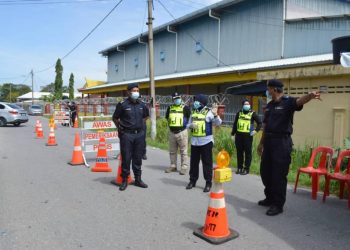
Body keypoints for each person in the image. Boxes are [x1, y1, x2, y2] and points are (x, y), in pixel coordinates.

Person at [257, 79, 321, 216]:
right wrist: (261, 143)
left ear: (274, 89)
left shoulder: (288, 102)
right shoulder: (269, 106)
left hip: (281, 143)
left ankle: (278, 204)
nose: (267, 91)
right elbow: (266, 126)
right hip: (268, 142)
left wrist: (309, 96)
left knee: (278, 175)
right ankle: (269, 198)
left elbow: (299, 101)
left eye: (268, 89)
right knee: (265, 172)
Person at [112, 83, 149, 191]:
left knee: (138, 158)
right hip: (127, 135)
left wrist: (140, 125)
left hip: (139, 135)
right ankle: (124, 180)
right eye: (134, 90)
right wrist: (121, 129)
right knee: (126, 158)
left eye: (137, 90)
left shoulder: (142, 104)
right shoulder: (122, 104)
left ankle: (138, 179)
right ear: (128, 92)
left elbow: (146, 116)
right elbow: (115, 118)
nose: (136, 92)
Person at [186, 94, 222, 192]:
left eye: (196, 101)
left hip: (206, 141)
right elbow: (187, 124)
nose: (195, 103)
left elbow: (218, 123)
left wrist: (215, 114)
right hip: (194, 142)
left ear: (201, 102)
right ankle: (192, 181)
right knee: (194, 163)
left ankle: (208, 182)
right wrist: (190, 125)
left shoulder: (209, 112)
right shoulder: (193, 111)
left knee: (207, 163)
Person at [231, 100, 262, 175]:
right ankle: (239, 167)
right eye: (245, 104)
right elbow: (235, 124)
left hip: (248, 137)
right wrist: (232, 134)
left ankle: (246, 169)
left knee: (248, 153)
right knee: (239, 152)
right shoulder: (239, 113)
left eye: (248, 104)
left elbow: (260, 123)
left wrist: (256, 130)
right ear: (242, 105)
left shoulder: (253, 113)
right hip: (238, 136)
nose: (247, 105)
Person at [165, 92, 191, 175]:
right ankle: (173, 166)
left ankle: (184, 167)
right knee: (172, 151)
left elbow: (190, 118)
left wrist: (187, 127)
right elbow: (167, 118)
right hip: (172, 132)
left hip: (182, 132)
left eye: (178, 98)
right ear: (173, 99)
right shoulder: (170, 108)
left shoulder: (185, 108)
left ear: (181, 98)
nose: (177, 100)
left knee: (183, 151)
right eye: (175, 98)